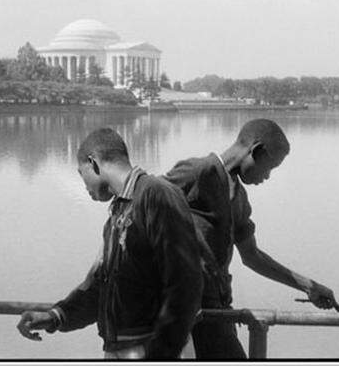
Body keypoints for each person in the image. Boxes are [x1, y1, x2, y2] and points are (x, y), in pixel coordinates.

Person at [16, 128, 203, 359]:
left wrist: (161, 352)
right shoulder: (118, 213)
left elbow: (186, 284)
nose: (84, 185)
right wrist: (56, 316)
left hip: (151, 348)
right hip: (120, 349)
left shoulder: (156, 194)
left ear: (93, 163)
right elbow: (100, 287)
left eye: (81, 173)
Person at [164, 118, 339, 359]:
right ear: (255, 151)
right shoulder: (198, 172)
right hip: (184, 311)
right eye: (270, 167)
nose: (267, 177)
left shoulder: (239, 198)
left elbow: (252, 256)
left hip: (217, 311)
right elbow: (144, 203)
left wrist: (307, 285)